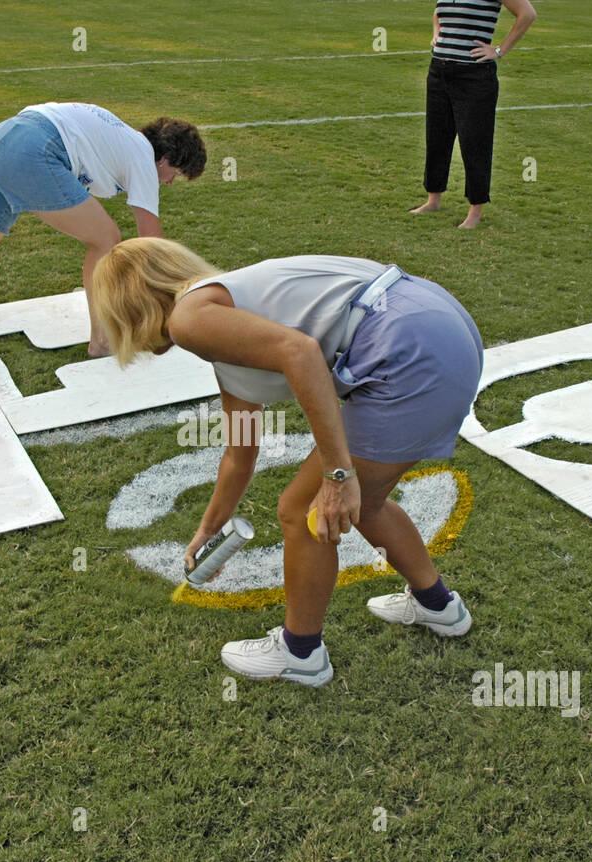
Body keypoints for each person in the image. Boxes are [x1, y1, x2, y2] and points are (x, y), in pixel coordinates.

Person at [92, 238, 484, 687]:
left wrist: (337, 474)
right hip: (441, 325)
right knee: (365, 502)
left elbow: (300, 353)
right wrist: (209, 528)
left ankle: (301, 654)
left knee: (305, 511)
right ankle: (439, 607)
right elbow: (240, 453)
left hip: (410, 348)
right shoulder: (222, 308)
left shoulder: (189, 319)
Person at [0, 102, 206, 355]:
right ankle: (101, 341)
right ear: (165, 160)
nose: (170, 182)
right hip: (31, 149)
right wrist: (179, 298)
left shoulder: (124, 140)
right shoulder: (144, 157)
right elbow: (151, 242)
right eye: (177, 173)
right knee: (106, 239)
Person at [410, 0, 536, 228]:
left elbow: (527, 14)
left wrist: (499, 50)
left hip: (475, 76)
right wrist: (437, 34)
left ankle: (475, 211)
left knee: (475, 143)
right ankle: (433, 200)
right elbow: (438, 13)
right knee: (437, 138)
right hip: (438, 70)